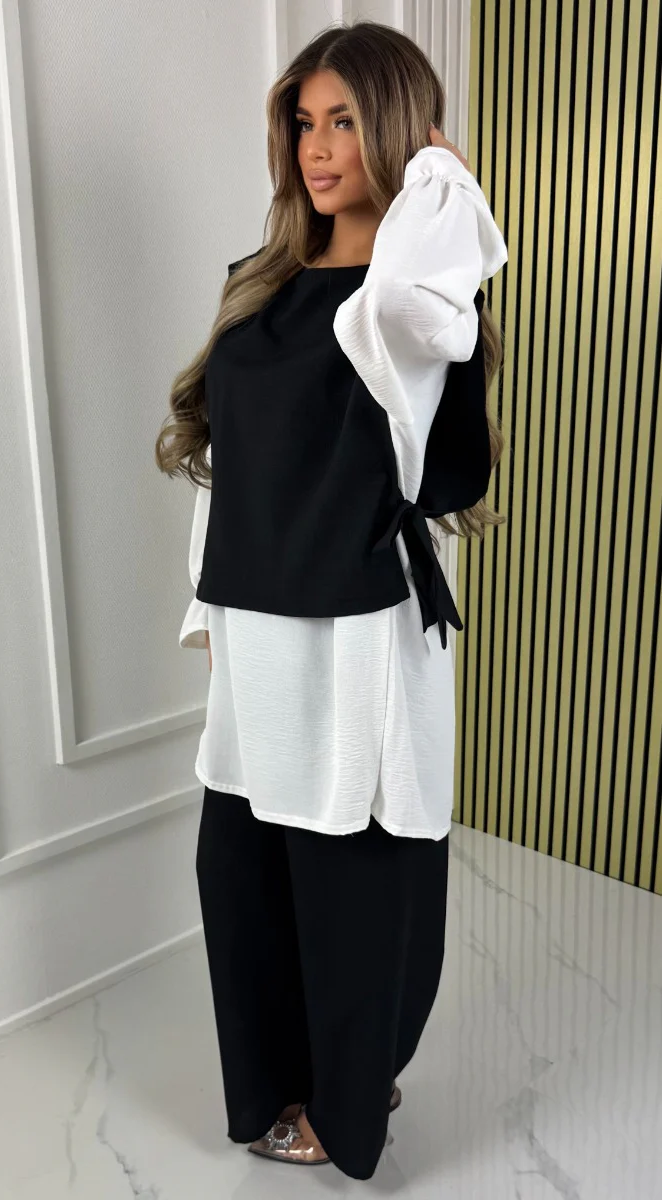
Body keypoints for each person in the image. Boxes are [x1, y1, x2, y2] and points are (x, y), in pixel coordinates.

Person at [155, 18, 507, 1182]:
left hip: (356, 629)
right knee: (242, 871)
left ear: (397, 132)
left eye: (345, 121)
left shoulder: (401, 304)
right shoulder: (257, 284)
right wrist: (208, 613)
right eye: (302, 122)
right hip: (255, 622)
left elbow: (406, 298)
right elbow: (226, 461)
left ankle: (351, 1097)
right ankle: (279, 1082)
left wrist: (439, 177)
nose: (315, 148)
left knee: (352, 875)